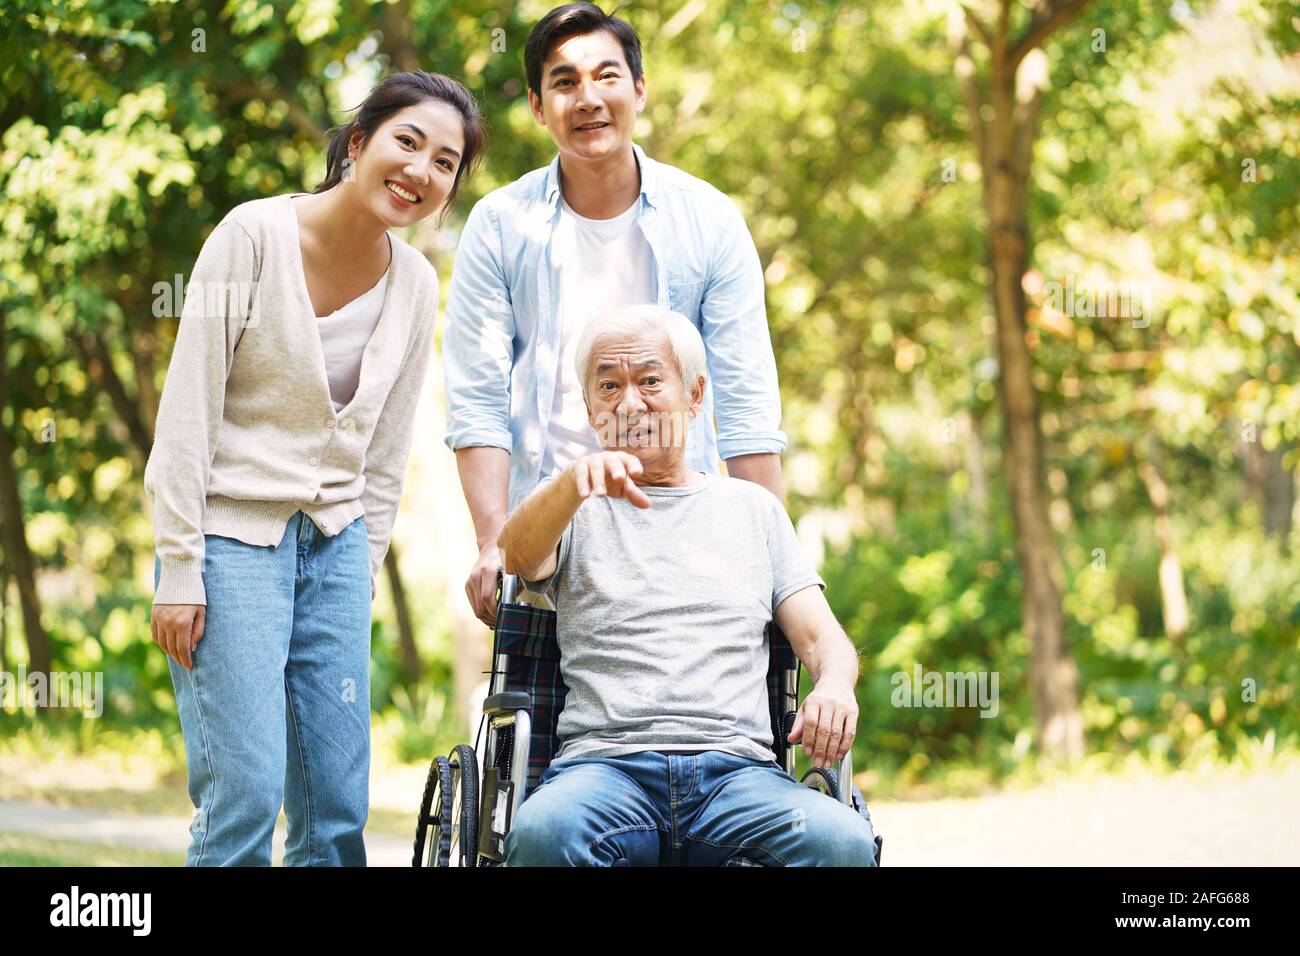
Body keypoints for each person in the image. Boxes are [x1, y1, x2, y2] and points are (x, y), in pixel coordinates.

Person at [144, 70, 485, 866]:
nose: (421, 171)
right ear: (359, 142)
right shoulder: (252, 236)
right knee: (247, 794)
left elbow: (386, 451)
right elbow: (188, 409)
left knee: (336, 807)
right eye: (408, 142)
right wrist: (178, 566)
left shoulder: (416, 285)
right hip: (231, 542)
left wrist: (360, 568)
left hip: (334, 549)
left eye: (446, 162)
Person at [444, 2, 787, 627]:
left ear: (639, 89)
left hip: (685, 528)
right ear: (535, 103)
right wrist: (495, 542)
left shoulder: (709, 222)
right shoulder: (499, 226)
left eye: (606, 76)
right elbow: (477, 402)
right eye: (564, 82)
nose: (587, 98)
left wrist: (774, 566)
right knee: (548, 721)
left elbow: (746, 407)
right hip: (550, 534)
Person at [496, 305, 877, 866]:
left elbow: (824, 641)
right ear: (589, 407)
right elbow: (516, 554)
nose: (629, 403)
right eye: (609, 386)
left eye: (650, 381)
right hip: (604, 772)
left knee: (841, 843)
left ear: (695, 395)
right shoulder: (571, 508)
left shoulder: (755, 512)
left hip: (739, 779)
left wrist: (837, 686)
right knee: (543, 832)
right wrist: (570, 484)